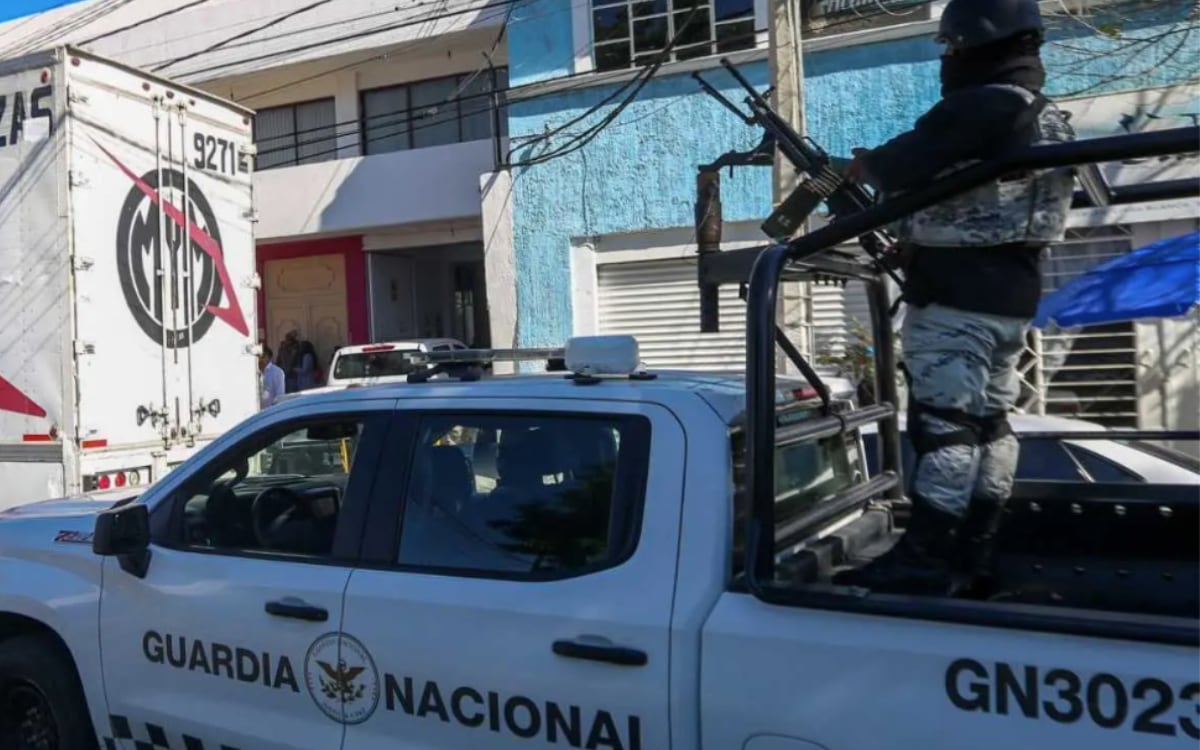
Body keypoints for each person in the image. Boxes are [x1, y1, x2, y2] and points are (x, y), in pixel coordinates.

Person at [834, 0, 1076, 595]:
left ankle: (923, 559)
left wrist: (863, 165)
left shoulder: (984, 105)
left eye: (950, 46)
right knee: (992, 424)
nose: (946, 58)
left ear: (976, 44)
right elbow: (988, 205)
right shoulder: (1048, 116)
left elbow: (898, 167)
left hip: (957, 303)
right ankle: (978, 549)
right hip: (1012, 299)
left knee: (945, 427)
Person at [259, 345, 286, 409]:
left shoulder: (277, 372)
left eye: (263, 356)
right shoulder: (253, 371)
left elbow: (280, 395)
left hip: (270, 411)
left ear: (269, 358)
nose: (260, 359)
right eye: (258, 356)